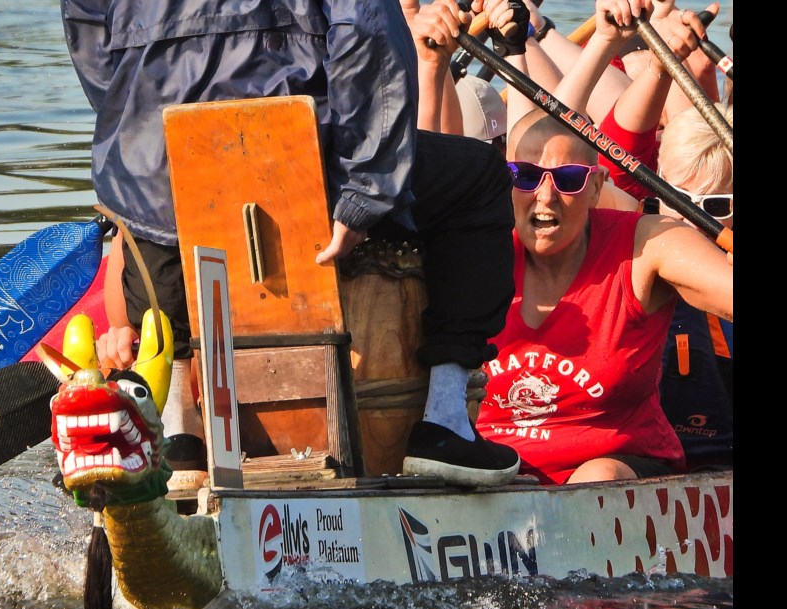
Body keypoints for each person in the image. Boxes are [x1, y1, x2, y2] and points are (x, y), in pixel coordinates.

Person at [62, 0, 523, 487]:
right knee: (482, 178)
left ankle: (181, 434)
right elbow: (368, 34)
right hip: (298, 155)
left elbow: (91, 44)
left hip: (158, 163)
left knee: (152, 190)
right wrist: (366, 189)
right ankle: (444, 425)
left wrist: (140, 123)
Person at [470, 101, 732, 485]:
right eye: (526, 175)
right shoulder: (476, 251)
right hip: (496, 473)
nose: (545, 196)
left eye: (569, 178)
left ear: (595, 188)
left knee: (596, 477)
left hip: (612, 472)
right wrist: (431, 66)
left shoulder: (646, 243)